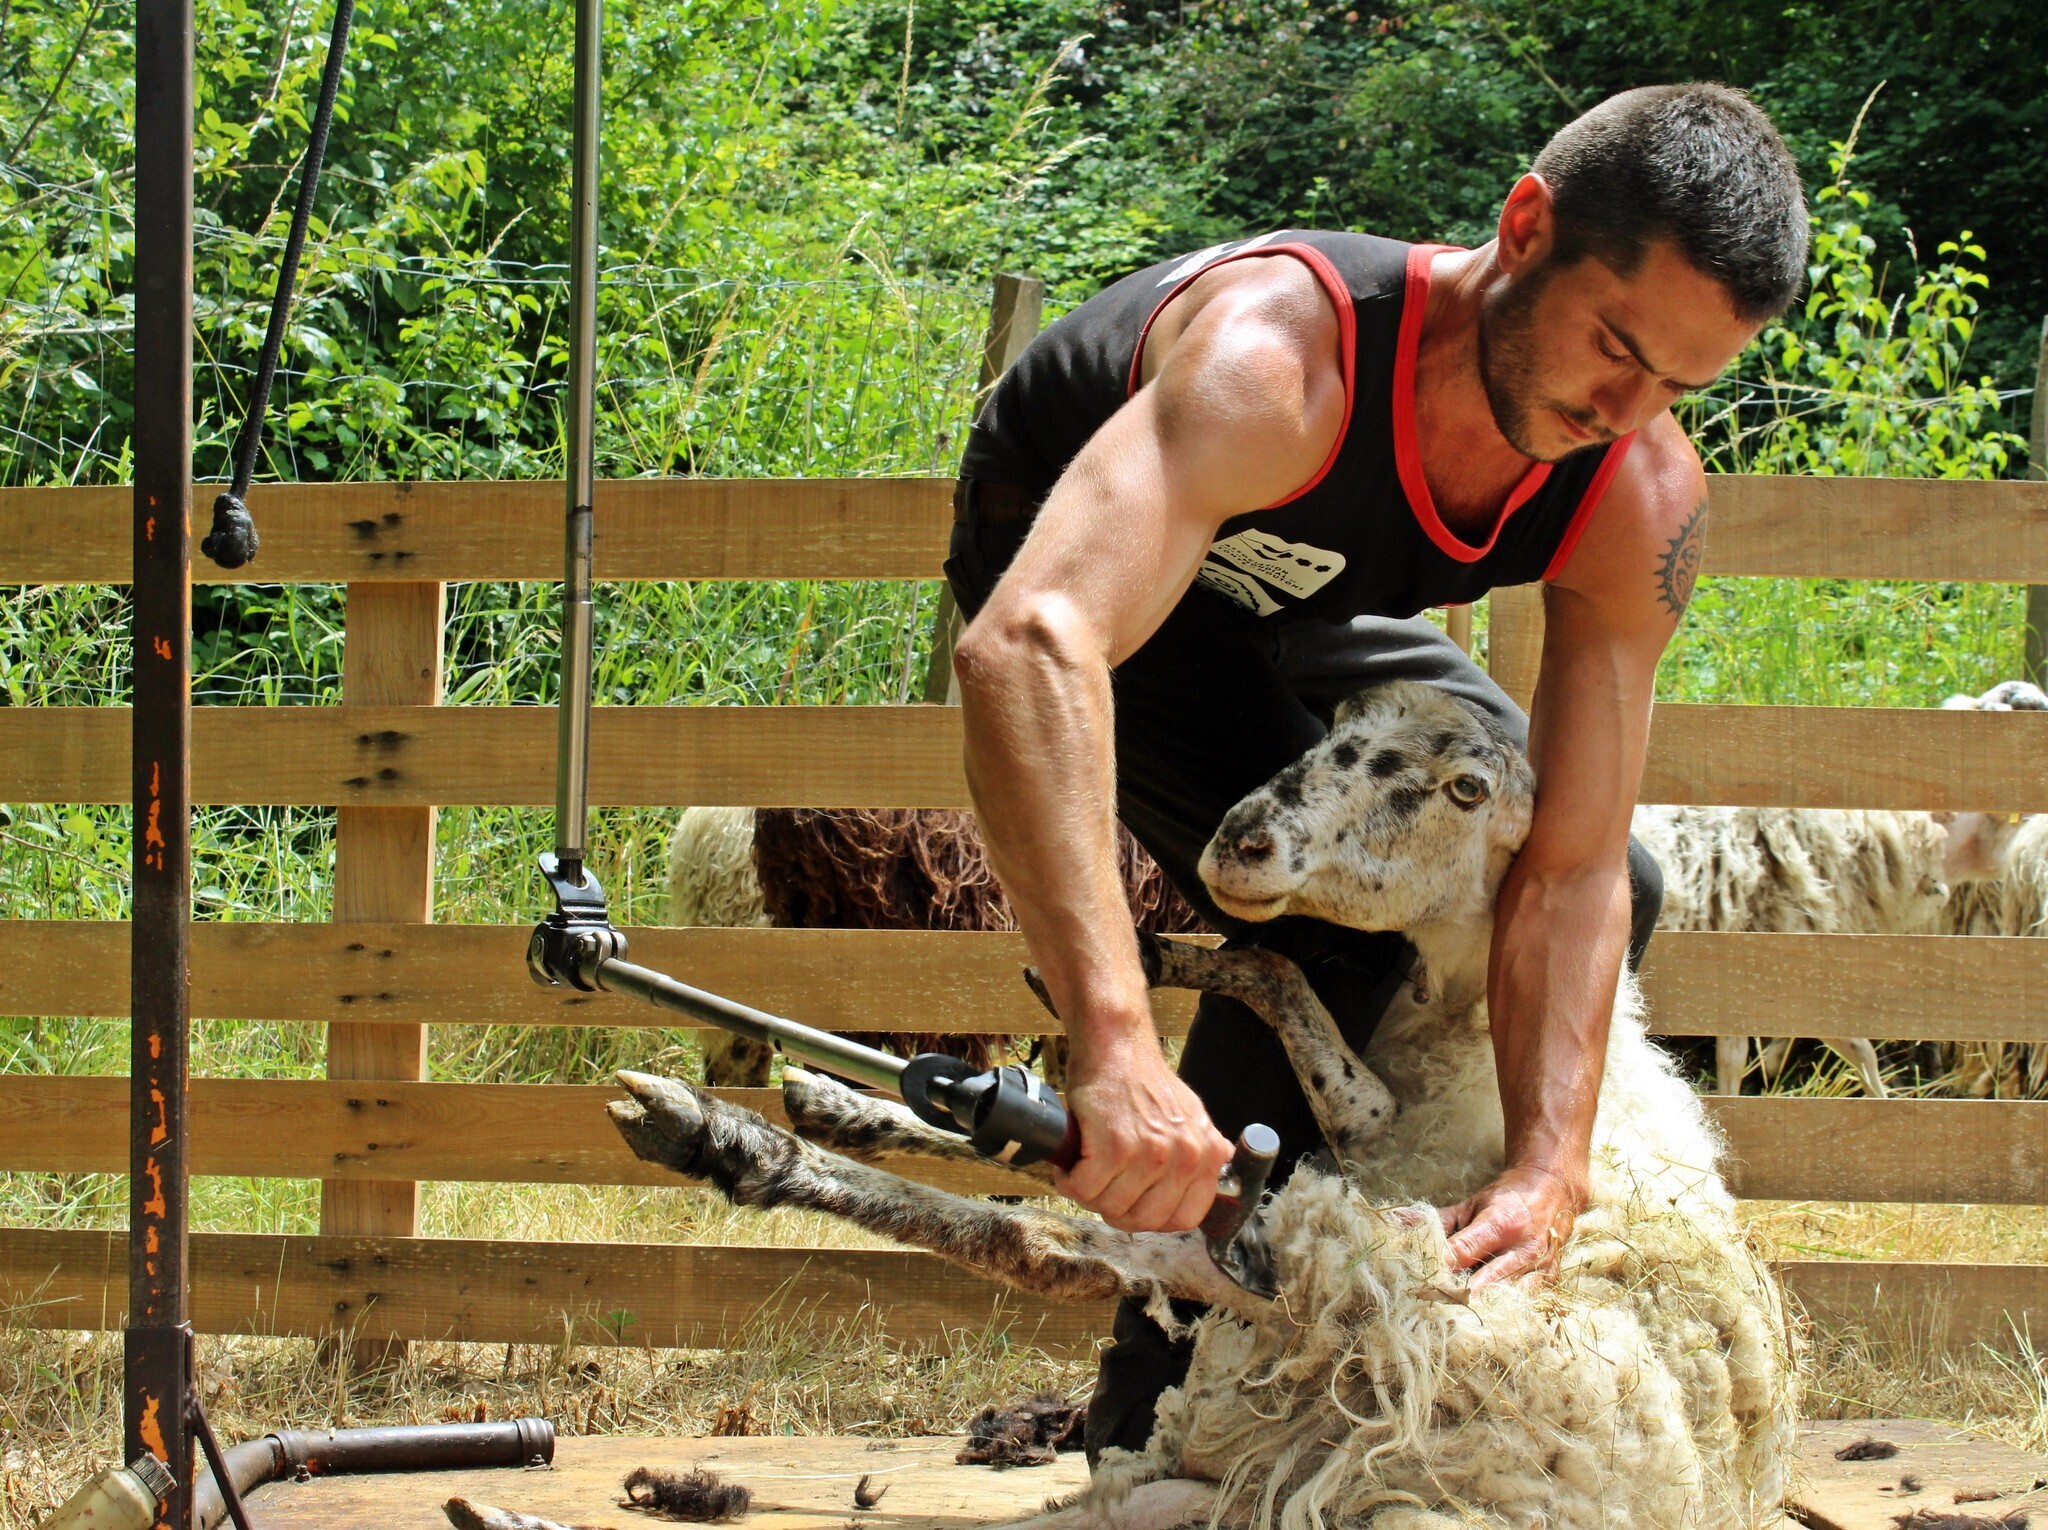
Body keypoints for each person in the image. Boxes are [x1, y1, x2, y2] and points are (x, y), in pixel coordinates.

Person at [941, 83, 1809, 1461]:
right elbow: (1029, 644)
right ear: (1526, 226)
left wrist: (1548, 1168)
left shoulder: (1639, 490)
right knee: (1331, 914)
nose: (1626, 410)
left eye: (1678, 388)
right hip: (1065, 541)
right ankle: (1158, 1390)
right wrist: (1112, 1048)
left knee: (1625, 882)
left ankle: (1355, 1247)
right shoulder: (1280, 364)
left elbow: (1575, 863)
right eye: (1615, 347)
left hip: (1303, 586)